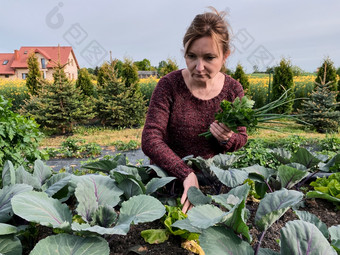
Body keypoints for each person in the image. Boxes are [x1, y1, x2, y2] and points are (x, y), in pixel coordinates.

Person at [141, 7, 248, 213]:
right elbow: (151, 138)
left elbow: (241, 138)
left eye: (209, 58)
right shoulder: (169, 85)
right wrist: (185, 173)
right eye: (192, 56)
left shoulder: (233, 89)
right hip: (168, 181)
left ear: (225, 56)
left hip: (212, 184)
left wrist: (227, 139)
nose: (199, 67)